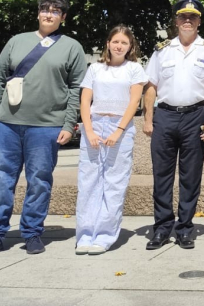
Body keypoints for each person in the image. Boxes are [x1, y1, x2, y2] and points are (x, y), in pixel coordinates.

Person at [0, 0, 88, 258]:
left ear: (63, 17)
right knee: (1, 179)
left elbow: (77, 90)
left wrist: (69, 124)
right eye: (45, 10)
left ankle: (33, 232)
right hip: (7, 124)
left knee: (39, 181)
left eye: (55, 11)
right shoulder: (16, 41)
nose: (49, 14)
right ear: (38, 13)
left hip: (47, 126)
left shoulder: (72, 47)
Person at [143, 0, 204, 250]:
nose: (187, 21)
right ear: (176, 20)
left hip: (195, 117)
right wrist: (148, 118)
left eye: (193, 17)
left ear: (199, 21)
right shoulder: (162, 50)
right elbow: (151, 86)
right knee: (162, 176)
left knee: (190, 177)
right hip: (165, 117)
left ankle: (185, 229)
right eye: (183, 16)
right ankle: (161, 228)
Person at [75, 25, 148, 255]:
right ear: (108, 43)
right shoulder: (95, 69)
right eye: (115, 41)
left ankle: (105, 235)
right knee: (88, 181)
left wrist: (118, 130)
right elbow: (85, 101)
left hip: (120, 128)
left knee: (114, 182)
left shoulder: (135, 69)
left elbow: (134, 102)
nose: (119, 46)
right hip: (94, 125)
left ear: (130, 47)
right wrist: (89, 131)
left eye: (124, 43)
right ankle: (85, 235)